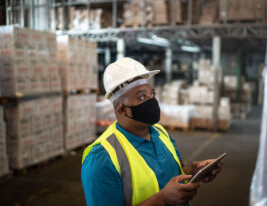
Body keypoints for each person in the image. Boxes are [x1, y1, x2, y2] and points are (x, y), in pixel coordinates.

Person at [81, 57, 223, 206]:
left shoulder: (160, 133)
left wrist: (195, 173)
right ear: (122, 109)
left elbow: (175, 173)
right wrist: (162, 200)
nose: (152, 101)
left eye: (152, 94)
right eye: (142, 96)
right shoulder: (102, 158)